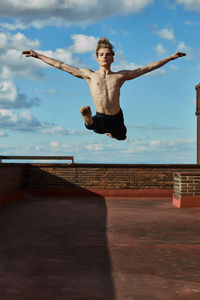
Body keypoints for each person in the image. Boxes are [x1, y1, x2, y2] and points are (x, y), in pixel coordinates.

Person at [22, 37, 186, 140]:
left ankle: (109, 132)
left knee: (122, 137)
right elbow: (60, 65)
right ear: (97, 58)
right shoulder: (89, 75)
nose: (105, 57)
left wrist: (170, 58)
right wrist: (37, 55)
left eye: (108, 54)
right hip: (100, 116)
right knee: (95, 125)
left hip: (116, 116)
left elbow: (146, 68)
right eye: (101, 54)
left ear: (113, 58)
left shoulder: (120, 76)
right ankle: (87, 118)